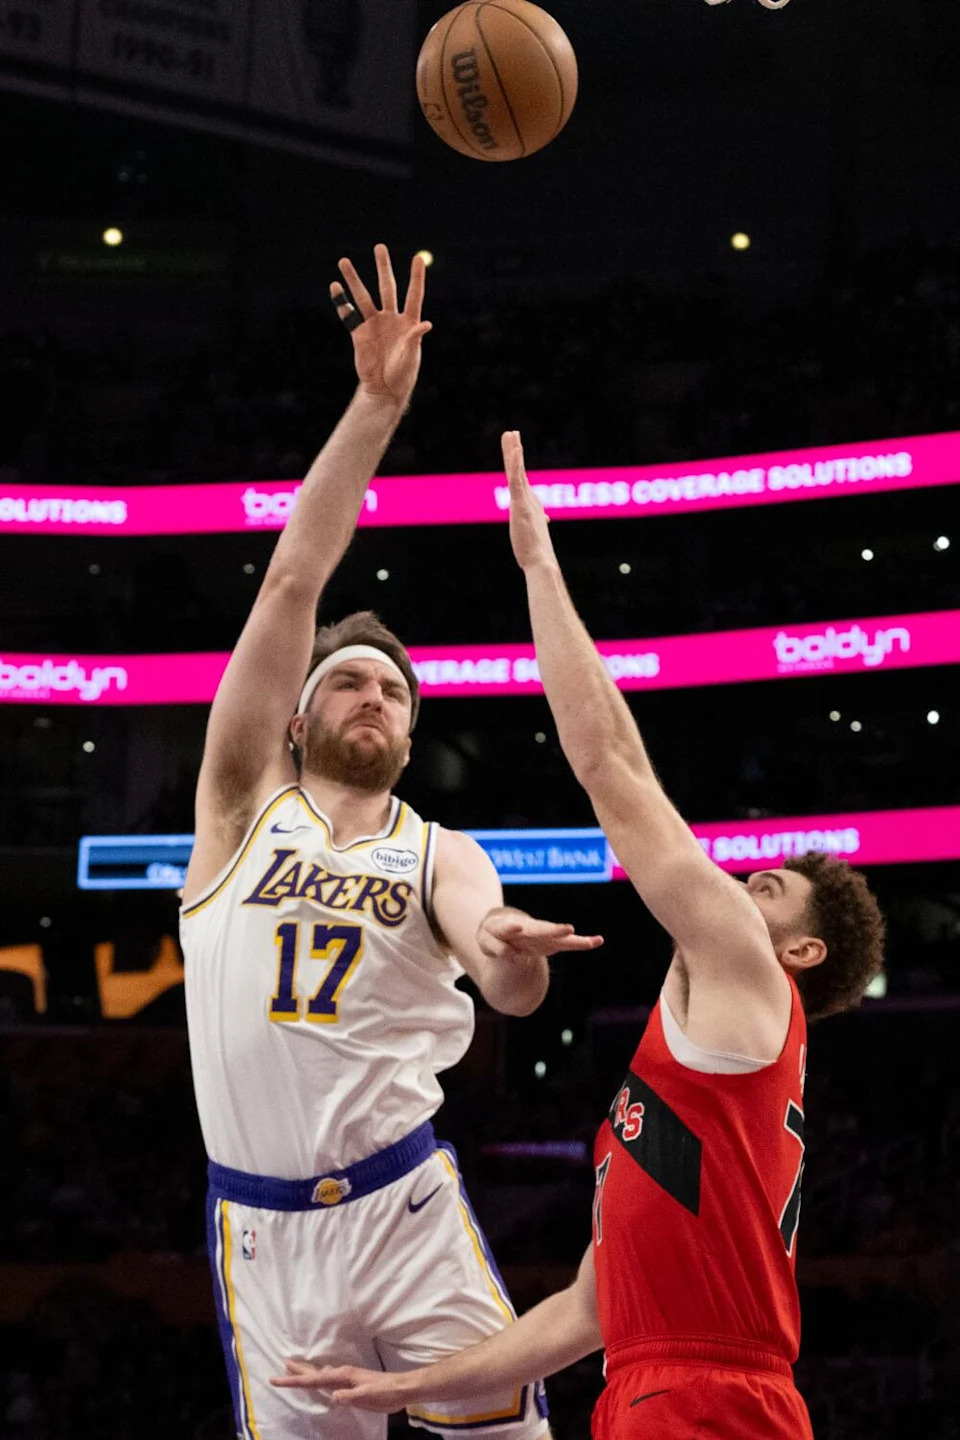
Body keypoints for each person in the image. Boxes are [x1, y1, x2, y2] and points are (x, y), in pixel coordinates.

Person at [272, 429, 886, 1438]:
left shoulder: (744, 968)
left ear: (801, 953)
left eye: (766, 888)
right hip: (653, 1386)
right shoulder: (695, 1071)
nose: (736, 885)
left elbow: (610, 763)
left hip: (706, 1395)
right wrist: (403, 1391)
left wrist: (538, 562)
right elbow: (581, 1316)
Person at [180, 255, 601, 1440]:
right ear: (298, 718)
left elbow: (507, 979)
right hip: (261, 1233)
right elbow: (293, 579)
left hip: (404, 1206)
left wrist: (512, 951)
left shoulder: (439, 853)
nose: (372, 695)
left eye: (394, 693)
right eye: (348, 681)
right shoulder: (237, 811)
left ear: (412, 738)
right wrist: (376, 409)